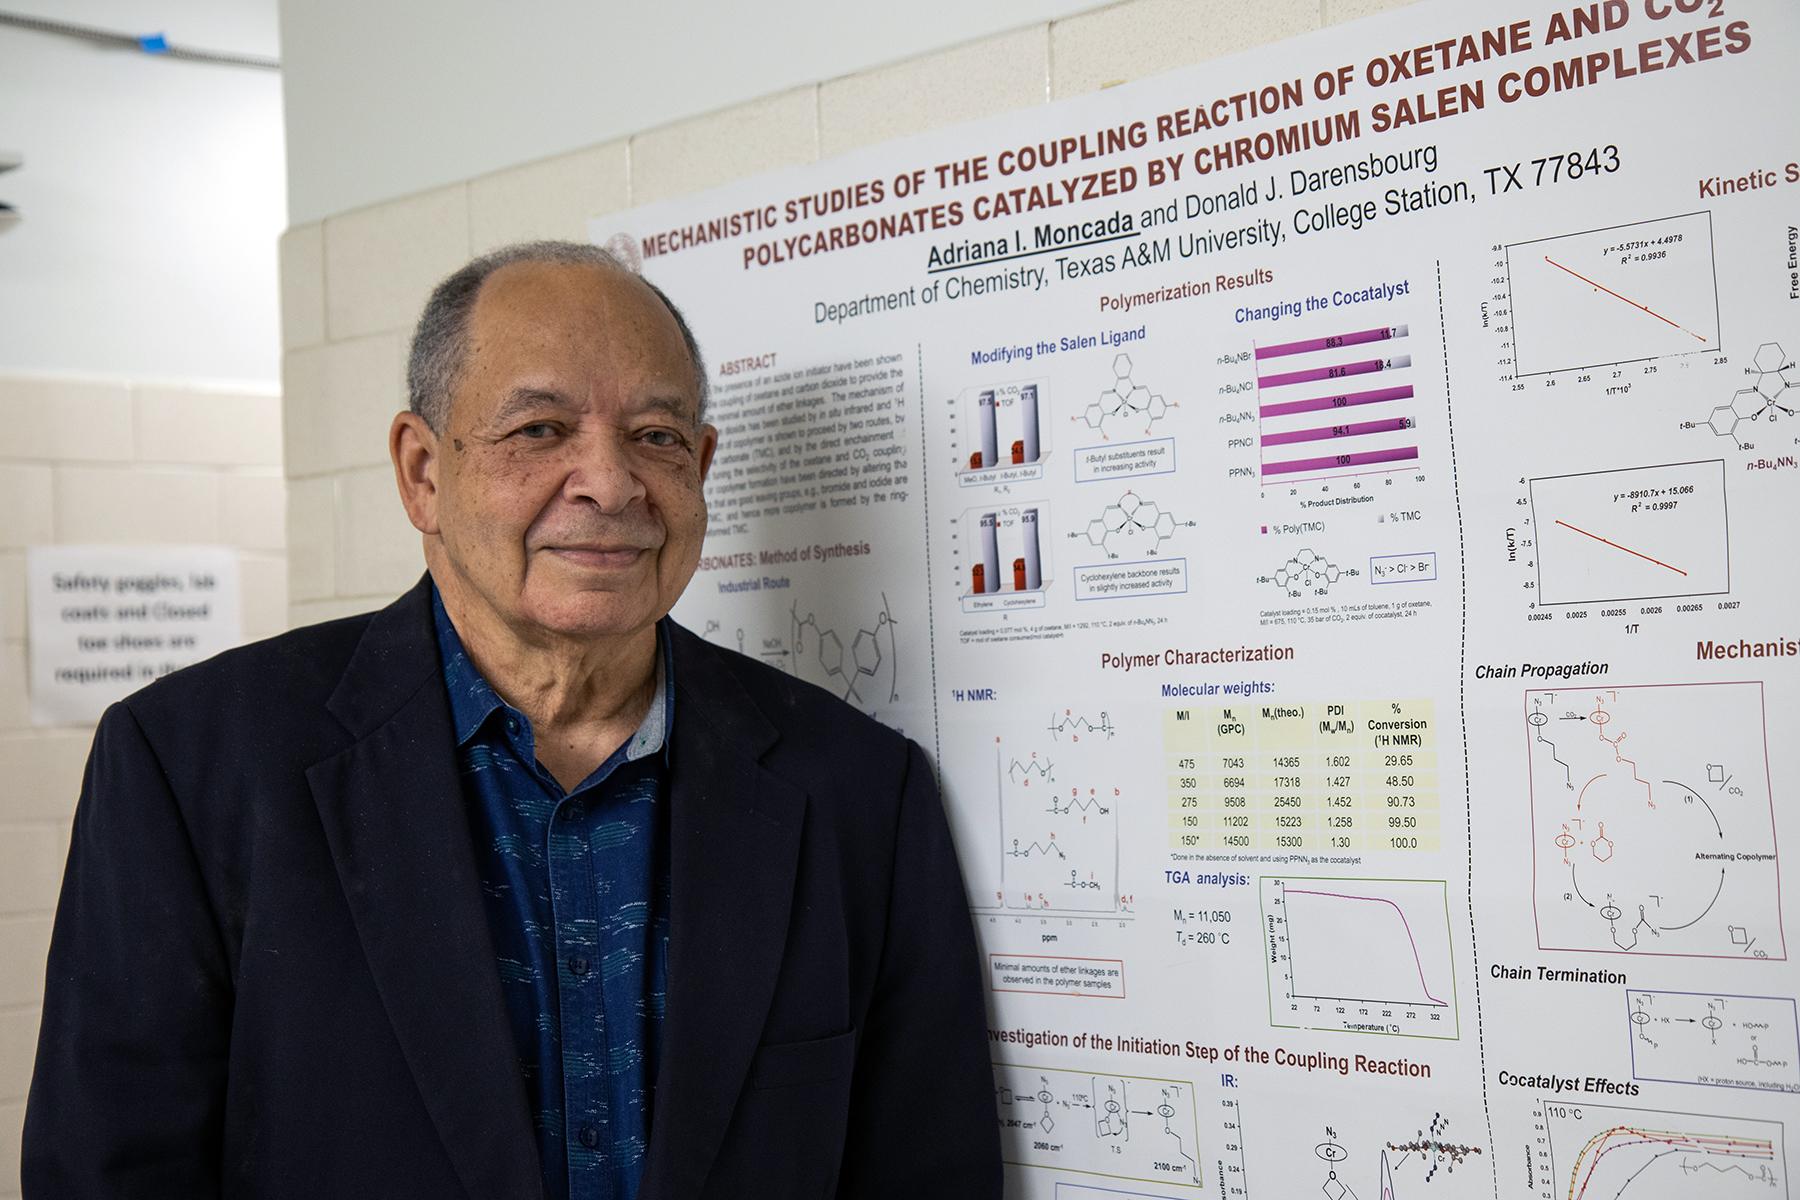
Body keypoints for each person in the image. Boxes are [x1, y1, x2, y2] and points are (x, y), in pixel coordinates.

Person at [23, 241, 1001, 1199]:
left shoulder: (861, 789)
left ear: (701, 467)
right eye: (539, 430)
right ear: (422, 472)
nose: (610, 484)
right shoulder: (194, 764)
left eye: (656, 437)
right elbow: (109, 1169)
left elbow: (928, 1168)